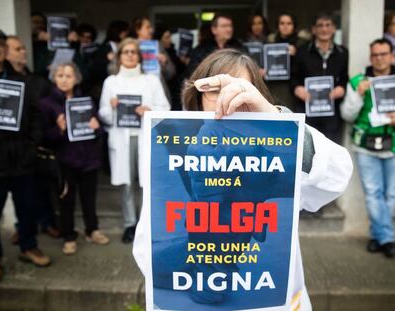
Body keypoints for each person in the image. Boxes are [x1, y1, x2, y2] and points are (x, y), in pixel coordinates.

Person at [133, 49, 353, 310]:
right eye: (217, 89)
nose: (230, 99)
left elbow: (336, 176)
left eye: (242, 89)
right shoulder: (175, 149)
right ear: (198, 98)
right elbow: (146, 248)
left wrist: (273, 120)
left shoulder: (277, 153)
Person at [0, 26, 51, 285]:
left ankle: (28, 246)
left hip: (22, 160)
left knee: (28, 208)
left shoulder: (21, 81)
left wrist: (31, 145)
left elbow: (35, 116)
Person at [99, 38, 170, 243]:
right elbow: (102, 114)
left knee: (146, 183)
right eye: (126, 52)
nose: (130, 55)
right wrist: (111, 107)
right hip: (121, 139)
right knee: (127, 184)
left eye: (133, 52)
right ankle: (130, 224)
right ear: (119, 56)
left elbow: (165, 109)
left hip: (144, 137)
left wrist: (150, 110)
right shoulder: (110, 82)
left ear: (139, 56)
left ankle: (146, 225)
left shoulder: (151, 80)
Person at [40, 62, 109, 255]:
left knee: (89, 199)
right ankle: (68, 236)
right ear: (54, 78)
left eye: (68, 75)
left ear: (76, 79)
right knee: (66, 201)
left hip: (88, 159)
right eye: (60, 75)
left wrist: (97, 128)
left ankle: (92, 230)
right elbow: (42, 136)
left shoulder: (86, 101)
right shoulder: (47, 103)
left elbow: (100, 130)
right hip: (64, 161)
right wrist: (59, 130)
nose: (64, 79)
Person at [341, 38, 395, 258]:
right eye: (375, 55)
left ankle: (378, 235)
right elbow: (347, 114)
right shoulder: (357, 81)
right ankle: (387, 239)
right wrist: (358, 95)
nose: (379, 59)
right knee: (373, 194)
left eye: (383, 54)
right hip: (365, 144)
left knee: (392, 195)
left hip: (393, 144)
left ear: (392, 56)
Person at [6, 35, 59, 242]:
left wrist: (36, 137)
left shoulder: (38, 82)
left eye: (23, 48)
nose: (23, 52)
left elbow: (45, 112)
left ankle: (47, 222)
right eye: (18, 49)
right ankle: (23, 228)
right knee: (19, 193)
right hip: (7, 147)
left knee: (41, 188)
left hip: (37, 143)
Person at [291, 13, 348, 144]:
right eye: (320, 25)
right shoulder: (302, 52)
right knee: (308, 149)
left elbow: (344, 77)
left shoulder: (342, 52)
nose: (324, 29)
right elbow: (293, 77)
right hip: (307, 111)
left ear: (334, 29)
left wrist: (342, 88)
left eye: (328, 25)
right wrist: (297, 88)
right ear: (314, 29)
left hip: (331, 114)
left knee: (331, 151)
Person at [265, 14, 309, 110]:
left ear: (294, 25)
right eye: (282, 23)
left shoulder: (302, 43)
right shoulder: (269, 42)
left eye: (289, 23)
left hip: (292, 86)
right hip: (274, 86)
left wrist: (297, 53)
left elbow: (307, 65)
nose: (285, 26)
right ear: (277, 25)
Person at [185, 13, 245, 78]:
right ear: (214, 30)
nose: (229, 29)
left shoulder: (238, 47)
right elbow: (193, 71)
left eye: (230, 26)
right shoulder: (202, 48)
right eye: (224, 26)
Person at [154, 24, 186, 111]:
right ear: (160, 39)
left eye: (170, 37)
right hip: (166, 88)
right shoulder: (158, 53)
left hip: (175, 88)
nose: (170, 40)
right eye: (166, 37)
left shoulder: (173, 51)